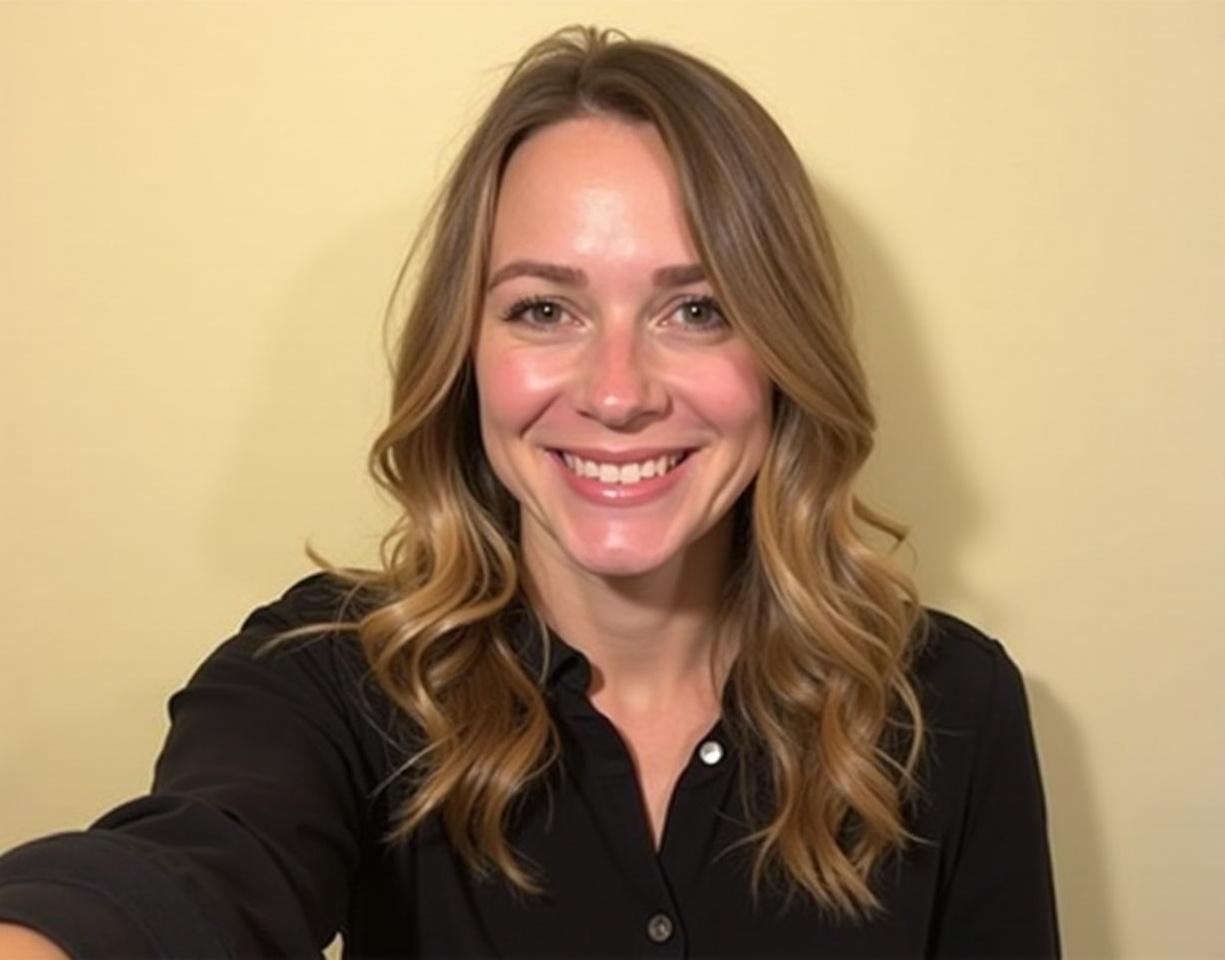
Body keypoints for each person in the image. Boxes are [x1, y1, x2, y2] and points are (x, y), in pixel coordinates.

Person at [0, 24, 1059, 959]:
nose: (615, 393)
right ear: (463, 353)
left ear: (784, 351)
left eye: (695, 310)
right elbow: (191, 869)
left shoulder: (949, 707)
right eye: (544, 310)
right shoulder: (328, 681)